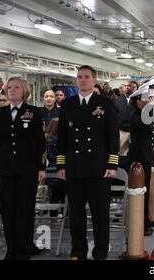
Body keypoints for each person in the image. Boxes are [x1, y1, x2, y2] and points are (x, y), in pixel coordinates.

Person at [57, 65, 119, 260]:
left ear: (94, 80)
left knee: (100, 214)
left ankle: (100, 252)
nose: (82, 80)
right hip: (74, 168)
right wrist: (61, 164)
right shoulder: (68, 104)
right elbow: (62, 138)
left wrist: (112, 164)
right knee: (76, 216)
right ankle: (78, 252)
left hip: (99, 168)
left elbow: (113, 136)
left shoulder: (105, 103)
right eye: (79, 77)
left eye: (86, 77)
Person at [0, 77, 46, 260]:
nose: (12, 90)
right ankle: (11, 252)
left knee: (25, 211)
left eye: (16, 87)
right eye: (10, 87)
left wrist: (41, 167)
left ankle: (23, 252)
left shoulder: (33, 112)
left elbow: (40, 142)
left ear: (24, 91)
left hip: (27, 169)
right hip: (4, 169)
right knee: (7, 211)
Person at [126, 81, 154, 236]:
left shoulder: (141, 113)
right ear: (138, 101)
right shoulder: (135, 115)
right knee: (141, 192)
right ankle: (142, 224)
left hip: (144, 156)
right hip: (139, 158)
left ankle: (144, 221)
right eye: (146, 98)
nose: (149, 100)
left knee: (145, 191)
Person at [45, 118, 66, 219]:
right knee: (64, 197)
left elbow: (51, 157)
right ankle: (66, 218)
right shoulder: (65, 142)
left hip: (52, 172)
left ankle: (53, 217)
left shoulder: (48, 142)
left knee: (54, 197)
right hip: (63, 171)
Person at [113, 80, 134, 155]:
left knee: (135, 152)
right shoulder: (117, 100)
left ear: (132, 87)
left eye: (129, 86)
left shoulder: (136, 100)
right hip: (122, 132)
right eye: (125, 86)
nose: (127, 88)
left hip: (134, 132)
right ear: (122, 88)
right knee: (119, 152)